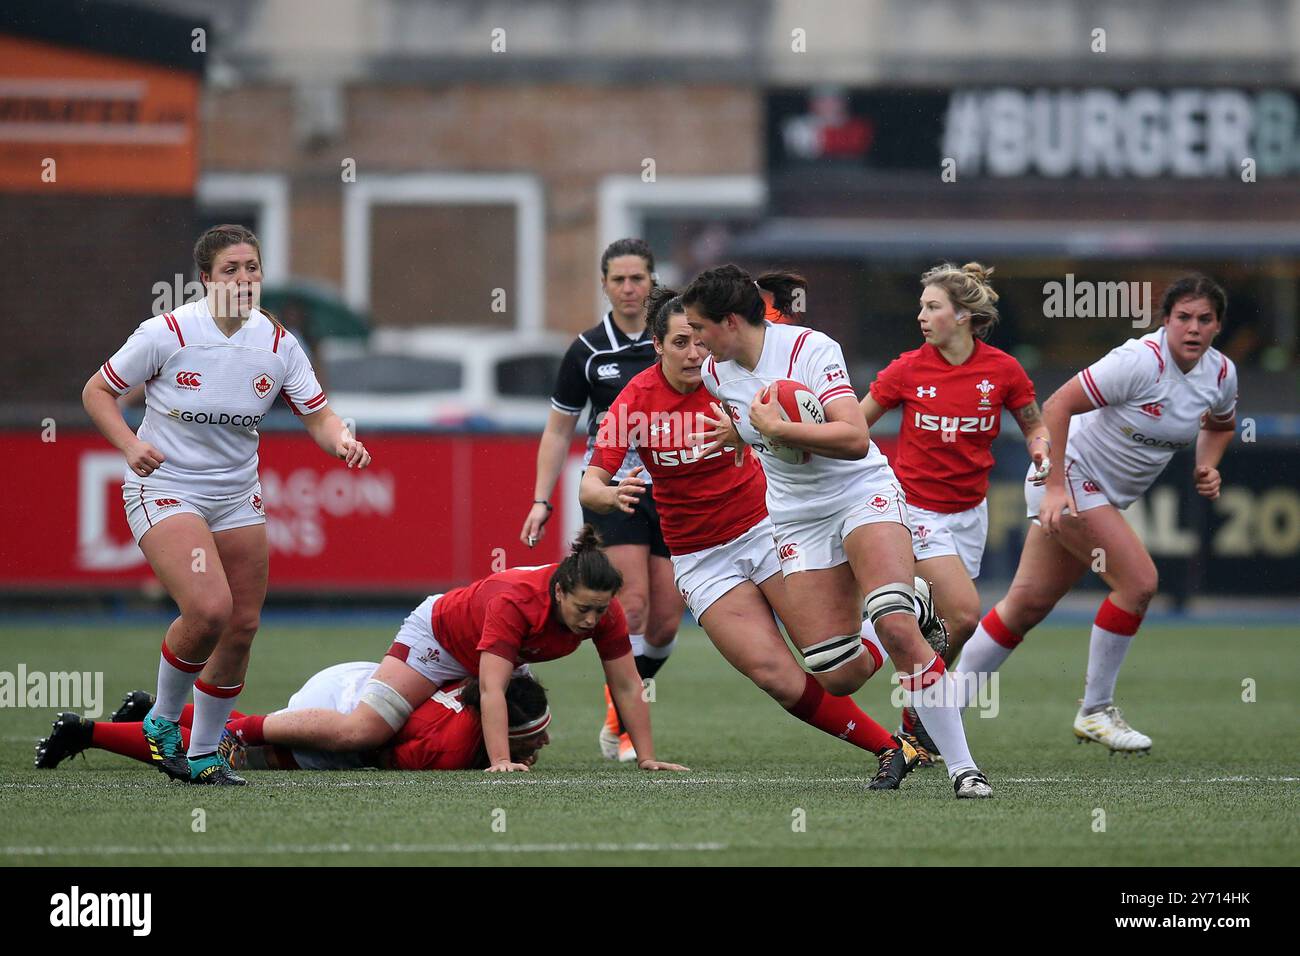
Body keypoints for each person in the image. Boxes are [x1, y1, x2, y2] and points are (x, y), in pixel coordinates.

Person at [582, 284, 946, 788]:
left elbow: (792, 403)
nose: (695, 353)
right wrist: (608, 495)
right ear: (657, 347)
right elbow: (590, 482)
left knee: (835, 665)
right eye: (681, 343)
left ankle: (907, 614)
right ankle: (890, 748)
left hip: (766, 531)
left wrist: (759, 430)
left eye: (700, 340)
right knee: (776, 676)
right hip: (700, 557)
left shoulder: (731, 379)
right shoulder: (636, 402)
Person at [683, 264, 993, 798]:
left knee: (895, 630)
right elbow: (764, 431)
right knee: (835, 673)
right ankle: (917, 605)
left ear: (730, 321)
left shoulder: (810, 348)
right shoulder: (716, 372)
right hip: (795, 517)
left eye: (699, 330)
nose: (693, 347)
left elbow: (851, 437)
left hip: (858, 493)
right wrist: (741, 434)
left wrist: (775, 428)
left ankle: (965, 770)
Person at [81, 224, 371, 786]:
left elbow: (317, 414)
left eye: (252, 268)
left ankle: (206, 752)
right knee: (209, 609)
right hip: (166, 487)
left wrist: (341, 440)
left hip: (237, 495)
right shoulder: (166, 332)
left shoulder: (279, 343)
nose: (244, 279)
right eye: (230, 270)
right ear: (206, 279)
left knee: (241, 624)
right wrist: (131, 444)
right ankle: (162, 721)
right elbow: (97, 391)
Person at [953, 274, 1238, 753]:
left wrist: (1207, 464)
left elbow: (1222, 423)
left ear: (1217, 326)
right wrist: (1056, 487)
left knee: (1023, 607)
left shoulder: (1221, 374)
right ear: (1165, 321)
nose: (1192, 328)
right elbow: (1058, 404)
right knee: (1139, 583)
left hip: (1091, 494)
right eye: (1183, 317)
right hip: (1068, 480)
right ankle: (1096, 710)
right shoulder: (1139, 361)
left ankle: (936, 711)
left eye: (1204, 319)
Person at [223, 528, 689, 773]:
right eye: (583, 610)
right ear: (560, 590)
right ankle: (237, 730)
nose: (592, 622)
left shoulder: (604, 610)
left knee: (519, 727)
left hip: (494, 652)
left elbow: (628, 683)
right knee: (363, 732)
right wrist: (501, 762)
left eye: (599, 611)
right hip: (439, 641)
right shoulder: (516, 601)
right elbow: (491, 688)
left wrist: (645, 755)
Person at [861, 262, 1050, 761]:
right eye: (921, 306)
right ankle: (919, 714)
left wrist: (1041, 448)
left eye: (932, 307)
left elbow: (1034, 423)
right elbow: (855, 426)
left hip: (971, 514)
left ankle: (915, 717)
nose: (921, 316)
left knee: (946, 624)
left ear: (963, 315)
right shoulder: (906, 369)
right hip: (916, 511)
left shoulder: (1003, 370)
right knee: (965, 616)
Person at [520, 238, 684, 762]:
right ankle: (631, 728)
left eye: (639, 278)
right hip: (615, 490)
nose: (630, 289)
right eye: (620, 279)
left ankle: (616, 718)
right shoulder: (588, 350)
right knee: (631, 608)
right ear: (605, 284)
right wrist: (541, 500)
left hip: (677, 490)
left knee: (665, 622)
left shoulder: (681, 340)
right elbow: (556, 431)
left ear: (653, 281)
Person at [34, 668, 551, 773]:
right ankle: (88, 733)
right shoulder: (455, 746)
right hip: (336, 717)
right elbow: (396, 756)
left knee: (236, 732)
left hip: (354, 680)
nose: (541, 744)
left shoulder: (471, 689)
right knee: (221, 752)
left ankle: (156, 710)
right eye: (531, 737)